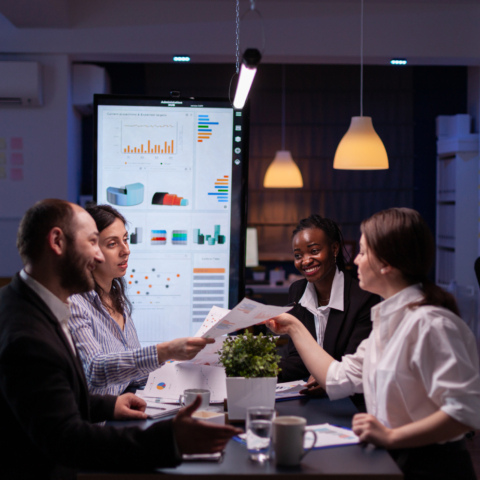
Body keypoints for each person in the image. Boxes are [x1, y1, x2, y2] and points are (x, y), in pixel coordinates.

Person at [0, 199, 240, 480]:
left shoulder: (32, 303)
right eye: (93, 242)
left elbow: (54, 397)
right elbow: (66, 440)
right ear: (57, 242)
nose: (99, 257)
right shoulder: (27, 336)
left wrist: (108, 405)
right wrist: (170, 440)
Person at [267, 208, 480, 480]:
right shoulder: (388, 323)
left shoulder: (433, 324)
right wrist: (294, 326)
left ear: (386, 263)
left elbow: (465, 413)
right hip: (392, 459)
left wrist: (392, 436)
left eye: (364, 252)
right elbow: (337, 377)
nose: (355, 260)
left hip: (430, 466)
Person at [69, 204, 212, 396]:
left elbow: (135, 378)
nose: (125, 250)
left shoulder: (117, 299)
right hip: (97, 421)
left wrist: (188, 367)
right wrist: (165, 351)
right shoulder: (74, 304)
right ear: (88, 250)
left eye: (126, 240)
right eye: (112, 244)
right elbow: (95, 370)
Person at [278, 215, 380, 397]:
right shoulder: (297, 291)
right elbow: (297, 358)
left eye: (314, 251)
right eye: (298, 255)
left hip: (348, 400)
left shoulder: (363, 297)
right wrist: (261, 372)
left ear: (334, 249)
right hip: (307, 395)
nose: (306, 261)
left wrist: (326, 377)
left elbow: (353, 366)